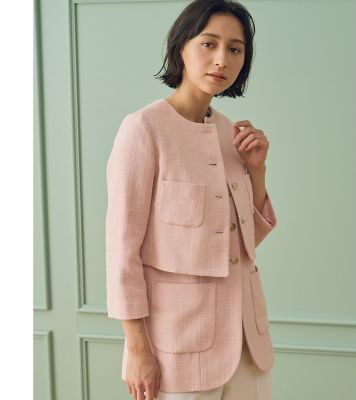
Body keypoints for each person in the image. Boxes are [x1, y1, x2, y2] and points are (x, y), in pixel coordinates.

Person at [105, 1, 278, 399]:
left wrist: (257, 170)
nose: (222, 59)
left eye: (235, 49)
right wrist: (136, 348)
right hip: (178, 347)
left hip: (248, 344)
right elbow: (122, 250)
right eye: (208, 43)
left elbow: (245, 243)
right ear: (181, 45)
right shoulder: (144, 129)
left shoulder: (232, 134)